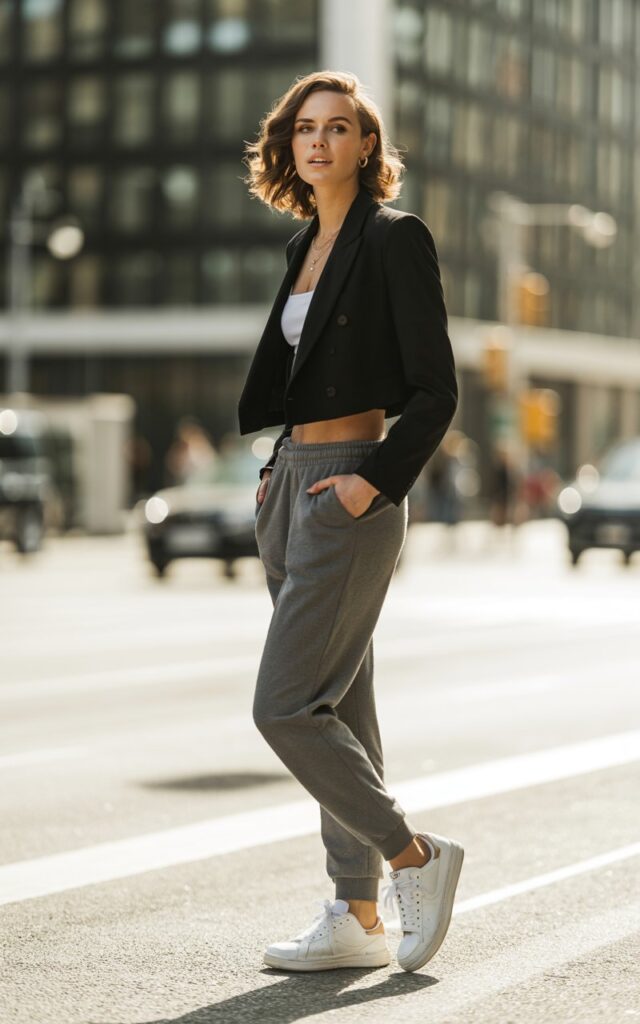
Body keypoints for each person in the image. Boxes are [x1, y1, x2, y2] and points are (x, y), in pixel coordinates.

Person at [237, 70, 464, 973]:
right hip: (292, 485)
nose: (319, 141)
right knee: (337, 706)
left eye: (338, 127)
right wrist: (276, 470)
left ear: (367, 146)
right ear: (288, 146)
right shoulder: (303, 245)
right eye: (305, 128)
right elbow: (301, 379)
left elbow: (437, 391)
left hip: (350, 488)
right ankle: (356, 911)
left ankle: (414, 857)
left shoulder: (395, 238)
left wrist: (373, 485)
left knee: (285, 707)